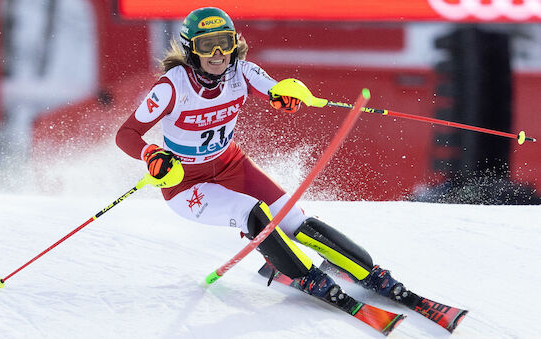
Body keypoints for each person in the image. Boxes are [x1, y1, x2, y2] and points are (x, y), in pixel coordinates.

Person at [116, 7, 410, 306]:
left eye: (225, 42)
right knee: (252, 212)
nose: (218, 53)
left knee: (293, 219)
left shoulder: (242, 72)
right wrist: (151, 153)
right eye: (207, 45)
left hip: (231, 164)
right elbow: (126, 135)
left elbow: (276, 90)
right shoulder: (172, 86)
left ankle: (368, 272)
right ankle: (307, 277)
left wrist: (287, 97)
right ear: (192, 49)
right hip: (186, 184)